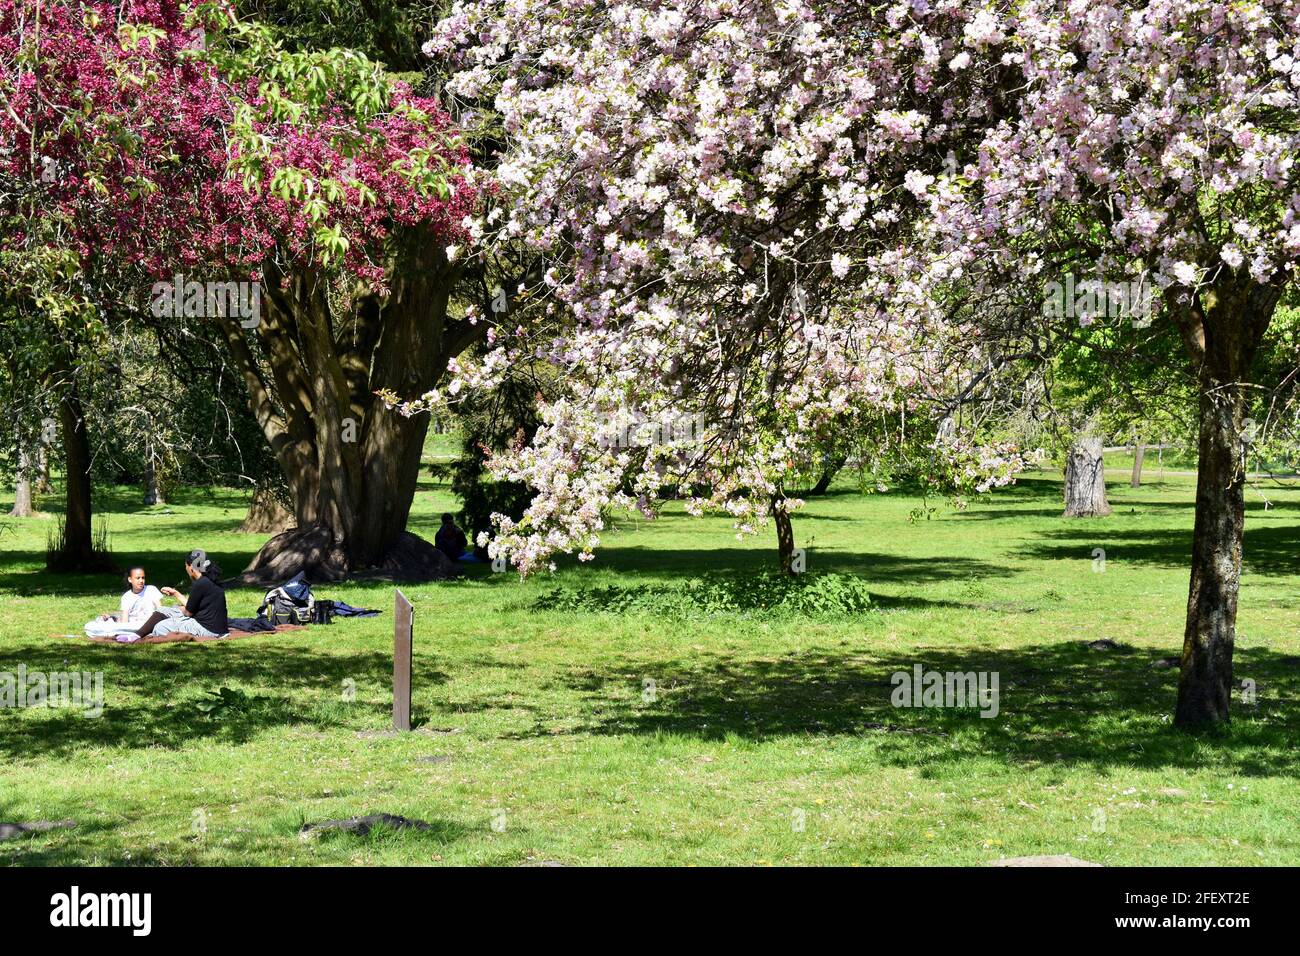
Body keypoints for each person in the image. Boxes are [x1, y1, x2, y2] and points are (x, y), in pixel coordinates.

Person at [147, 549, 229, 638]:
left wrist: (179, 609)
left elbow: (188, 613)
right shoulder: (210, 579)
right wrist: (175, 593)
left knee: (161, 626)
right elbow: (193, 606)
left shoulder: (200, 584)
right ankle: (139, 633)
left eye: (186, 566)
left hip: (208, 630)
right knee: (165, 610)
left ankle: (139, 635)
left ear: (191, 567)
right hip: (219, 628)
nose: (186, 569)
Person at [84, 567, 164, 638]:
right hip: (132, 626)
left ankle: (114, 632)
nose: (141, 581)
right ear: (130, 579)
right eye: (138, 578)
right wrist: (113, 618)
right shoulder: (126, 597)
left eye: (143, 578)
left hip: (150, 623)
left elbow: (160, 610)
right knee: (90, 625)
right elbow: (125, 621)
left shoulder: (151, 589)